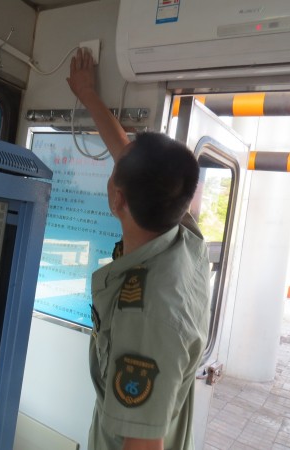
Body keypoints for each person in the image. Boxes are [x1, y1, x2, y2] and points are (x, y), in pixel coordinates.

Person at [67, 48, 211, 450]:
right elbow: (128, 158)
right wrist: (87, 94)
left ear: (118, 199)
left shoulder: (147, 319)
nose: (119, 153)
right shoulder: (185, 236)